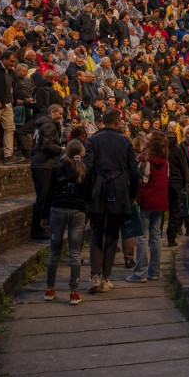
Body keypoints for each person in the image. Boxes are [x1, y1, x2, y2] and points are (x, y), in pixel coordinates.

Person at [84, 107, 139, 293]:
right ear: (117, 123)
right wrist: (132, 195)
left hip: (97, 191)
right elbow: (134, 171)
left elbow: (87, 168)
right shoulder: (125, 141)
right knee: (113, 235)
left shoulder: (93, 140)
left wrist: (87, 192)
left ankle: (94, 276)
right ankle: (106, 278)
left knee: (97, 233)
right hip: (119, 190)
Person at [41, 140, 89, 305]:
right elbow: (87, 193)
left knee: (55, 251)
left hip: (58, 209)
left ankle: (49, 289)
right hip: (77, 211)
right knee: (75, 253)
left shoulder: (57, 169)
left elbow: (49, 193)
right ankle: (74, 292)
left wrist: (44, 216)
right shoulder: (83, 169)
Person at [126, 131, 168, 283]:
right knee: (156, 236)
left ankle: (140, 273)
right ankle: (154, 271)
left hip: (146, 203)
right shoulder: (164, 161)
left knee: (142, 237)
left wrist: (137, 201)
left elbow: (142, 184)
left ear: (152, 144)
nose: (144, 139)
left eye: (148, 138)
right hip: (160, 203)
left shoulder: (146, 161)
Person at [30, 104, 65, 238]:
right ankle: (39, 229)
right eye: (60, 114)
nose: (61, 116)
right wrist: (62, 149)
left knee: (43, 197)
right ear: (52, 112)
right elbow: (47, 145)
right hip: (44, 164)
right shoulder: (49, 125)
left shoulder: (42, 124)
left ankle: (41, 227)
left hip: (40, 163)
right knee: (43, 197)